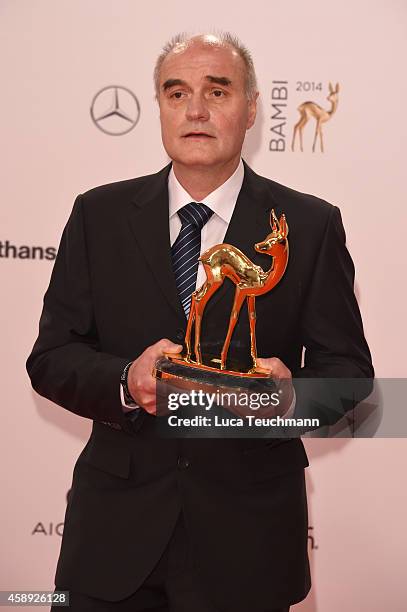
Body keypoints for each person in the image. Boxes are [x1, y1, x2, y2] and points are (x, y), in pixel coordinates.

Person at [26, 32, 373, 612]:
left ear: (253, 108)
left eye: (218, 91)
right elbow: (52, 358)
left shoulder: (309, 226)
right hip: (114, 539)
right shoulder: (98, 215)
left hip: (249, 542)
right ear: (159, 106)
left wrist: (292, 399)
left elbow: (352, 378)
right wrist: (125, 382)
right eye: (176, 92)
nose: (195, 110)